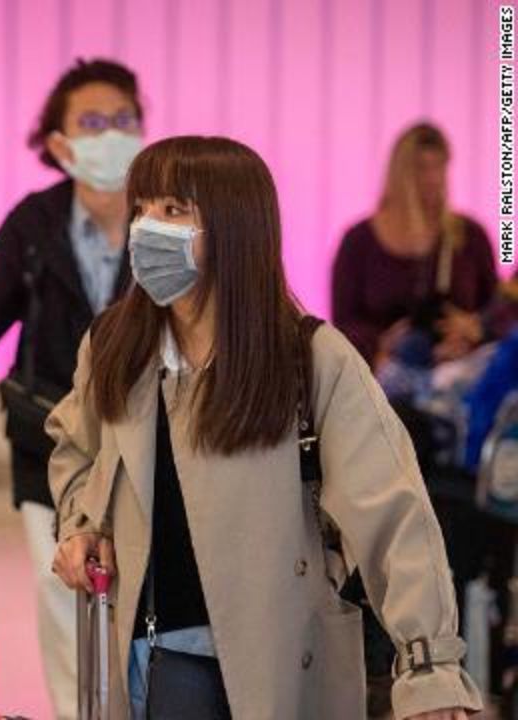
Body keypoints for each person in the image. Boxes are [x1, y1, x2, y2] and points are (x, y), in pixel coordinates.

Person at [48, 136, 481, 719]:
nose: (148, 228)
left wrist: (431, 670)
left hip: (282, 657)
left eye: (174, 210)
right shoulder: (113, 348)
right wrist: (80, 524)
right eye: (143, 208)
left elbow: (393, 514)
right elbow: (76, 449)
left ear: (234, 228)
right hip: (156, 654)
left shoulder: (310, 357)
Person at [0, 58, 142, 718]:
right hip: (49, 451)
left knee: (146, 615)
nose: (111, 135)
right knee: (69, 608)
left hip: (152, 457)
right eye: (93, 122)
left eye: (124, 120)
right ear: (60, 143)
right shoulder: (35, 227)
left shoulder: (168, 222)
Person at [332, 122, 497, 373]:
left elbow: (496, 310)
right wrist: (380, 342)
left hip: (458, 376)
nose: (432, 179)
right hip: (382, 377)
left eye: (438, 167)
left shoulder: (469, 236)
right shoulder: (359, 242)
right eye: (421, 169)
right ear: (399, 174)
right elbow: (344, 321)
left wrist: (474, 328)